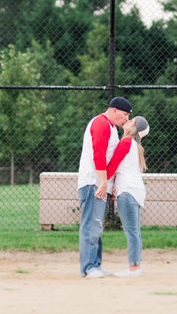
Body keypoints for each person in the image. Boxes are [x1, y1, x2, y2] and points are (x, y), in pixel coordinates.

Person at [78, 96, 132, 278]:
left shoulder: (112, 128)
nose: (126, 119)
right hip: (93, 183)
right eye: (125, 115)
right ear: (114, 110)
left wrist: (110, 185)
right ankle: (88, 267)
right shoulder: (101, 123)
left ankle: (96, 264)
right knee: (90, 226)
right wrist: (102, 182)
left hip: (101, 183)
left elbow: (110, 159)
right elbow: (98, 154)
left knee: (97, 226)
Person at [106, 115, 149, 278]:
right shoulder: (134, 145)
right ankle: (135, 266)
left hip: (128, 191)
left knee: (131, 232)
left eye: (131, 121)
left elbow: (112, 166)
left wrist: (105, 186)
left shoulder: (125, 142)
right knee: (135, 231)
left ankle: (134, 268)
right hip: (136, 191)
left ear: (134, 128)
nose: (127, 121)